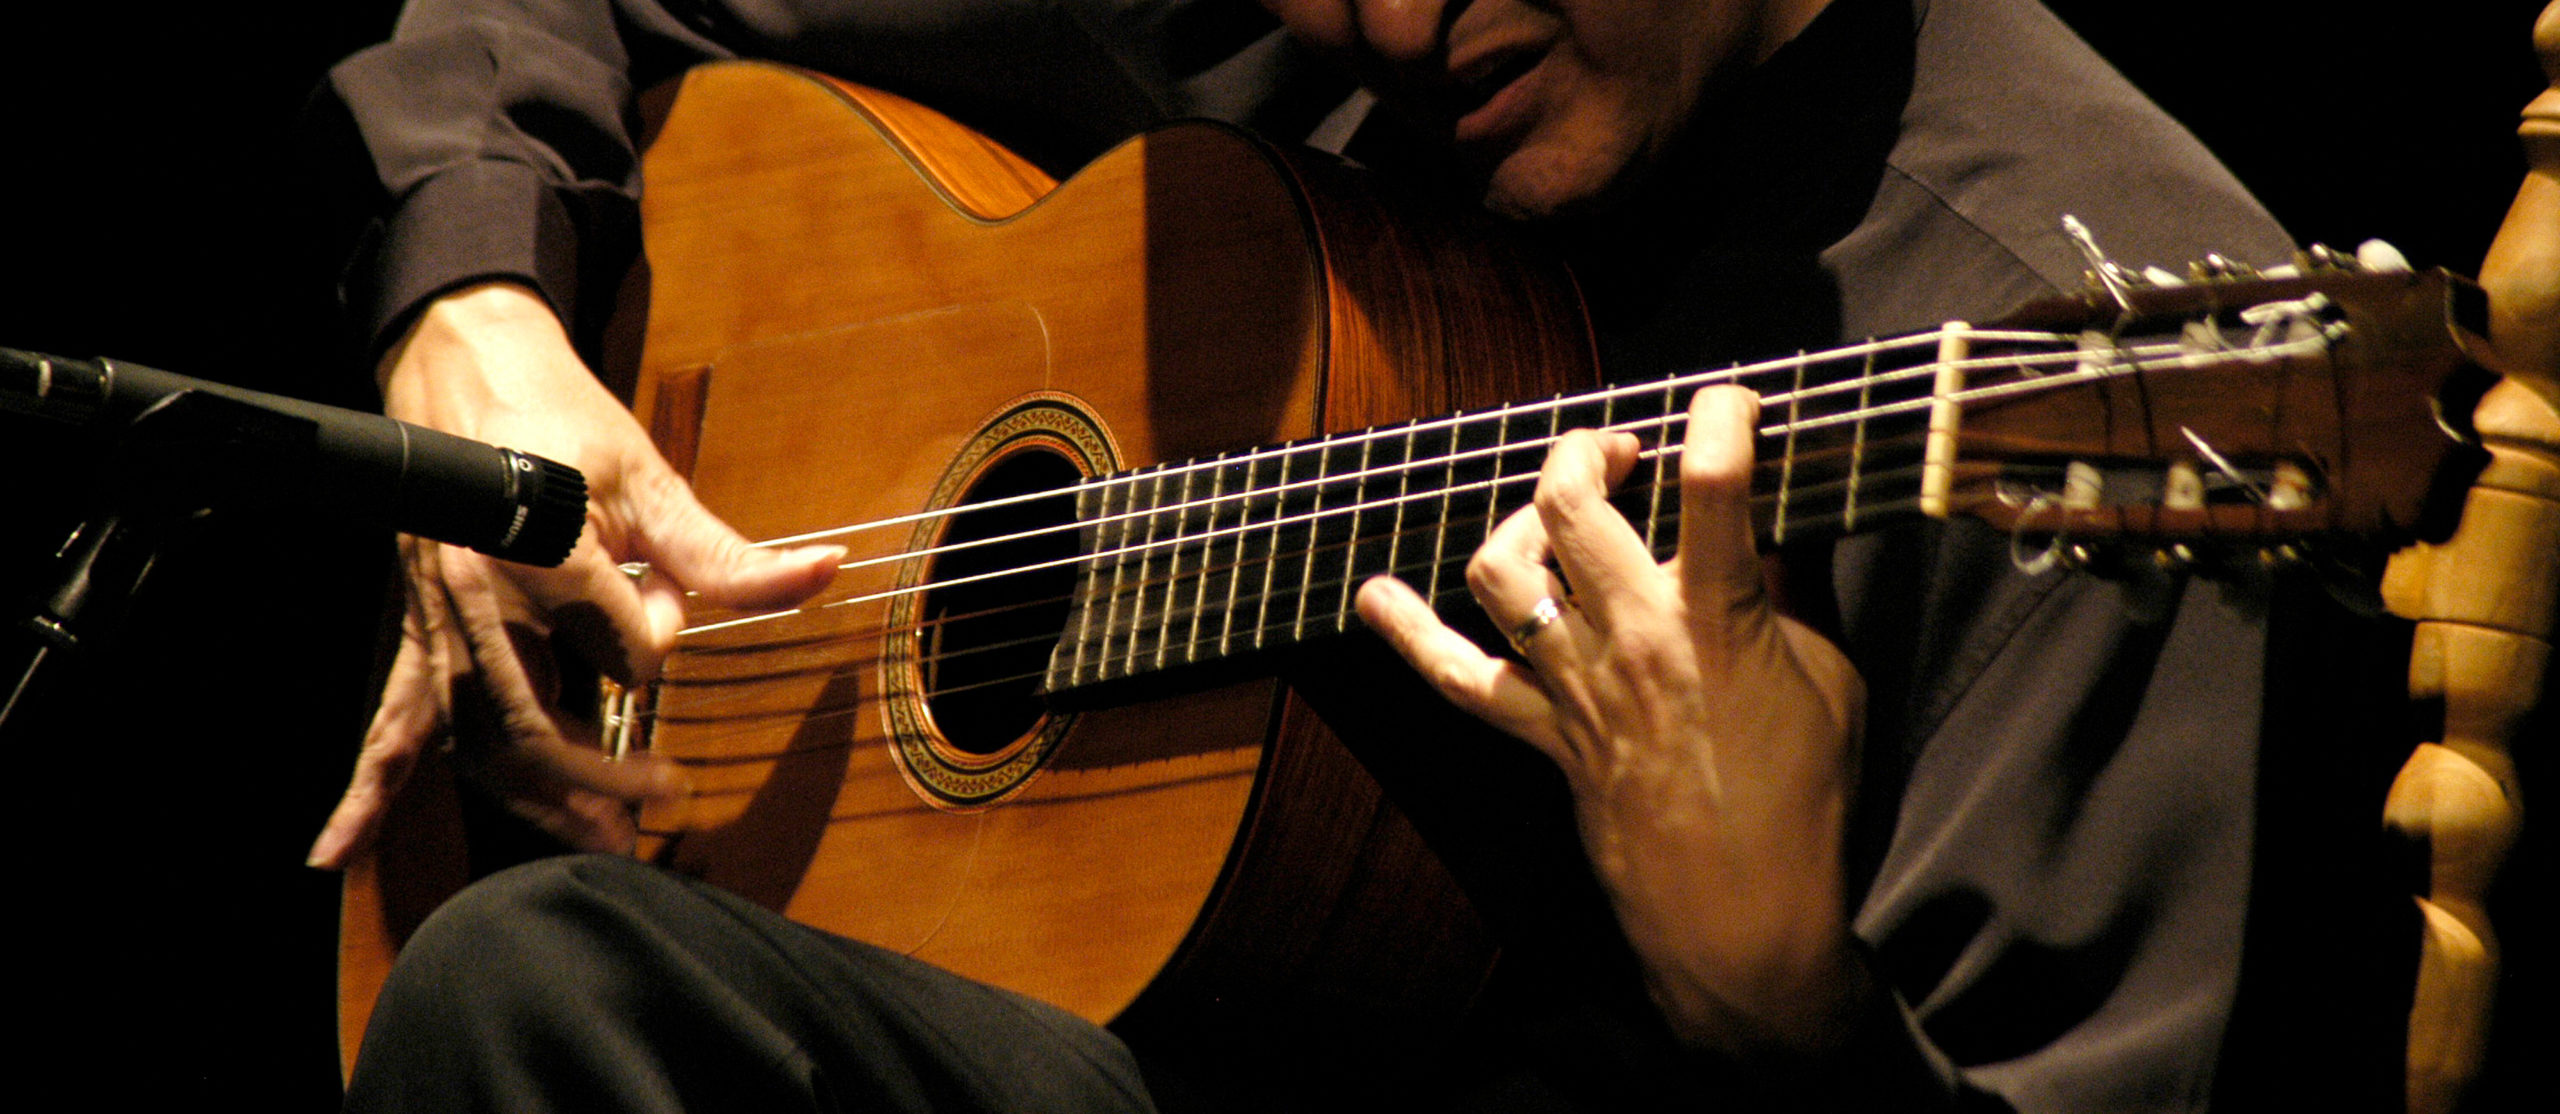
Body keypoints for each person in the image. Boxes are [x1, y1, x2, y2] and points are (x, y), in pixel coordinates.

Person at [303, 0, 2409, 1109]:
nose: (1388, 26)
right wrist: (471, 299)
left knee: (536, 992)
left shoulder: (2058, 326)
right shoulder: (1329, 27)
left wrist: (1785, 1017)